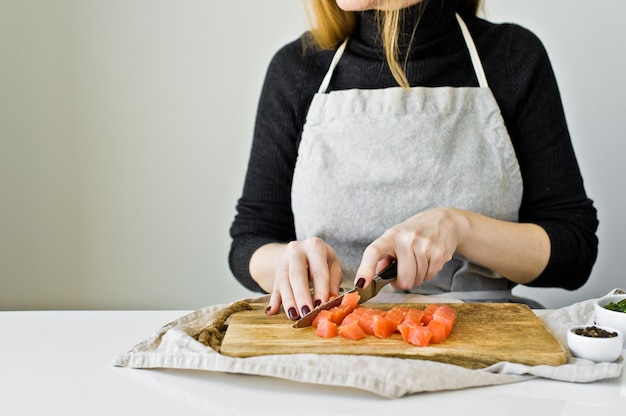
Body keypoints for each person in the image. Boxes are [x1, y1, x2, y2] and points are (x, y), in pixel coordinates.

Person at [229, 0, 599, 320]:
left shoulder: (512, 57)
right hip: (333, 338)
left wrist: (461, 228)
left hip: (484, 344)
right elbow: (250, 240)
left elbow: (573, 249)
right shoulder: (296, 68)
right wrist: (287, 263)